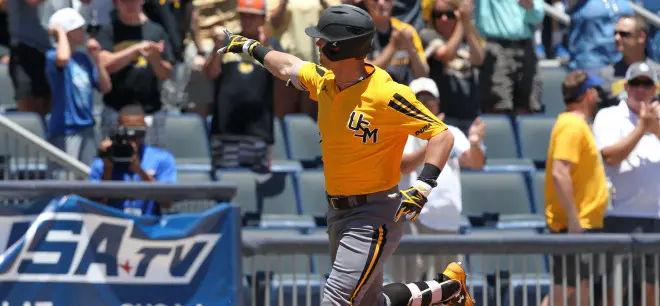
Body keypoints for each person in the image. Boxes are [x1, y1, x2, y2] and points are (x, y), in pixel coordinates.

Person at [217, 4, 473, 306]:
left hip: (374, 214)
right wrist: (250, 46)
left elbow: (441, 134)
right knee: (370, 302)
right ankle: (448, 288)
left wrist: (422, 187)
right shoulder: (326, 81)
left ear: (342, 48)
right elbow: (287, 65)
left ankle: (449, 288)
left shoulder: (387, 94)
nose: (317, 44)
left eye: (324, 40)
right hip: (338, 211)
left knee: (336, 299)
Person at [391, 77, 485, 284]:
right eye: (419, 99)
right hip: (414, 223)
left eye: (429, 99)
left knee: (449, 291)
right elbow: (402, 166)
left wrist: (475, 143)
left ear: (437, 103)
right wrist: (435, 141)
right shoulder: (401, 132)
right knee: (409, 289)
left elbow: (475, 162)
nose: (425, 104)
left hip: (448, 222)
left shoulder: (452, 132)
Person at [592, 62, 660, 306]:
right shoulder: (609, 116)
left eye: (647, 84)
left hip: (656, 218)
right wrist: (642, 129)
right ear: (626, 87)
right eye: (635, 83)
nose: (640, 89)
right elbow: (610, 157)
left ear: (654, 89)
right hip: (620, 216)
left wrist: (656, 128)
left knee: (653, 293)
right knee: (615, 291)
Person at [542, 71, 609, 306]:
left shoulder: (577, 125)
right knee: (566, 291)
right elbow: (560, 173)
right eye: (596, 91)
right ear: (588, 94)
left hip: (584, 224)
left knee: (579, 290)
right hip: (576, 226)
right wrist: (574, 220)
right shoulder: (571, 125)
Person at [204, 0, 281, 172]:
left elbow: (283, 78)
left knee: (255, 185)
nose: (247, 20)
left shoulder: (271, 46)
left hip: (258, 131)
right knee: (227, 180)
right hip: (226, 129)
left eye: (252, 16)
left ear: (262, 19)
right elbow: (210, 73)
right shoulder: (226, 43)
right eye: (243, 16)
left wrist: (265, 50)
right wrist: (217, 46)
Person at [95, 0, 175, 147]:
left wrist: (155, 59)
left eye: (134, 1)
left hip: (149, 112)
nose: (130, 5)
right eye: (125, 2)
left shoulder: (156, 31)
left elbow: (165, 74)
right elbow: (104, 64)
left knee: (150, 163)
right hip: (115, 111)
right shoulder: (108, 30)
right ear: (116, 3)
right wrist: (135, 51)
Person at [45, 8, 112, 165]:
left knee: (87, 176)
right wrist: (60, 32)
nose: (84, 32)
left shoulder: (83, 59)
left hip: (87, 127)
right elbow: (62, 58)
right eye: (79, 29)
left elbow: (105, 87)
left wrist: (97, 59)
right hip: (66, 128)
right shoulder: (52, 56)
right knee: (67, 178)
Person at [89, 104, 177, 217]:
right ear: (117, 128)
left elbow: (167, 203)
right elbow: (95, 207)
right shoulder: (102, 162)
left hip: (147, 227)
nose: (132, 140)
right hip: (113, 225)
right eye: (127, 133)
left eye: (137, 134)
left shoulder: (162, 158)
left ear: (145, 130)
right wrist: (107, 169)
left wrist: (140, 171)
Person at [420, 0, 483, 135]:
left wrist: (467, 26)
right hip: (442, 118)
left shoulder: (467, 36)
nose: (443, 18)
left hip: (469, 116)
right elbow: (445, 54)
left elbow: (478, 60)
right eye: (438, 14)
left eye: (449, 14)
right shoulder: (427, 35)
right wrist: (461, 23)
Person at [599, 15, 660, 107]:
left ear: (641, 37)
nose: (617, 38)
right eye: (615, 33)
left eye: (623, 34)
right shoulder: (606, 75)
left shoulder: (658, 72)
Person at [364, 0, 429, 85]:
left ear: (393, 2)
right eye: (375, 0)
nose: (381, 3)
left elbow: (423, 75)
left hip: (406, 92)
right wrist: (393, 47)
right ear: (366, 2)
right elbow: (367, 74)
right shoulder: (362, 34)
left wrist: (410, 48)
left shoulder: (406, 30)